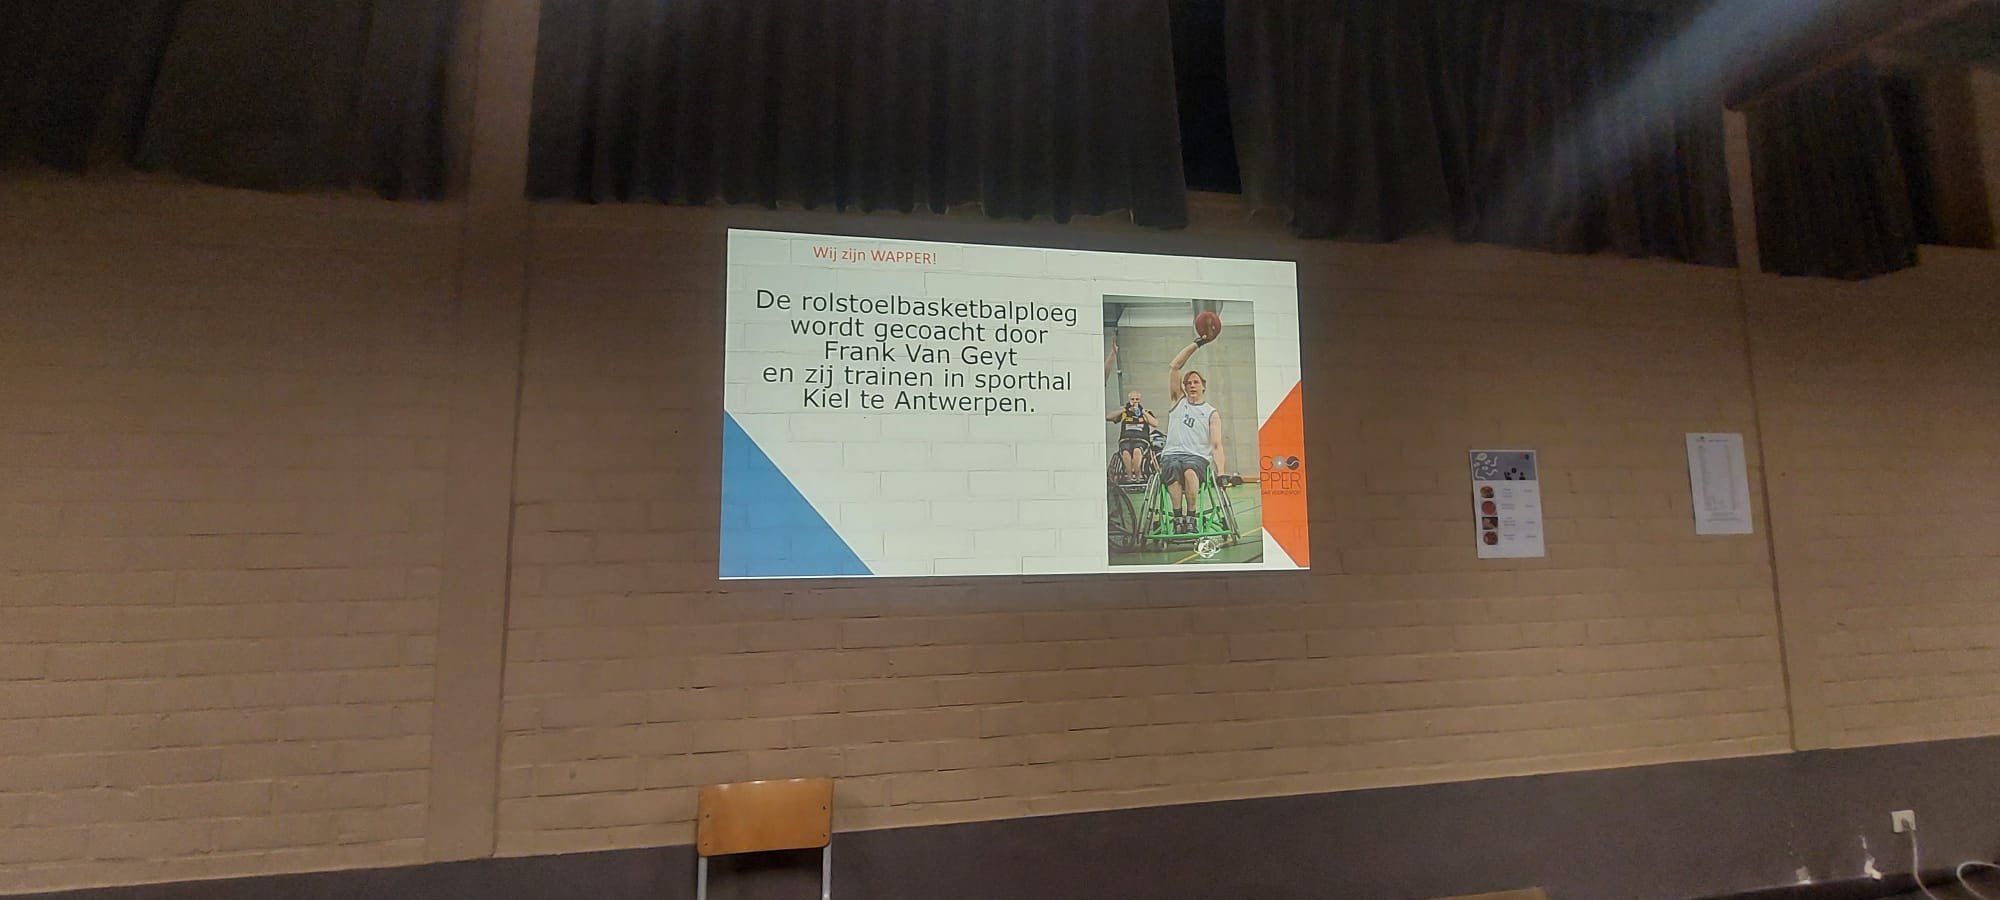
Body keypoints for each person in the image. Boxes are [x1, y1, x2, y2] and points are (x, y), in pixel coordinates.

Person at [1161, 330, 1224, 534]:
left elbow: (1216, 445)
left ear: (1203, 387)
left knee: (1189, 470)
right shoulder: (1178, 401)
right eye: (1188, 383)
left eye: (1196, 382)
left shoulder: (1211, 413)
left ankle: (1191, 516)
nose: (1191, 385)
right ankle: (1177, 517)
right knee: (1173, 469)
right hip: (1172, 454)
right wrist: (1197, 343)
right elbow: (1174, 366)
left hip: (1197, 457)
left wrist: (1221, 472)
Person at [1106, 389, 1159, 482]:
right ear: (1129, 400)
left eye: (1137, 399)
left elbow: (1155, 423)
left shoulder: (1145, 412)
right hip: (1126, 439)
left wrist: (1142, 411)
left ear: (1140, 400)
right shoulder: (1125, 413)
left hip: (1141, 440)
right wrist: (1124, 409)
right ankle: (1130, 477)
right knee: (1126, 452)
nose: (1135, 401)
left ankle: (1138, 476)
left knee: (1136, 451)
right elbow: (1108, 417)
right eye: (1132, 399)